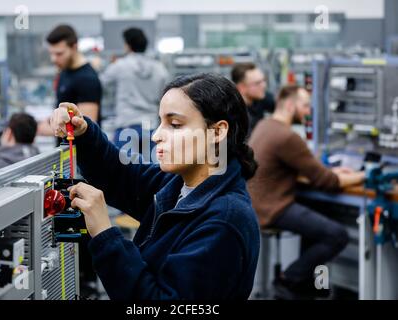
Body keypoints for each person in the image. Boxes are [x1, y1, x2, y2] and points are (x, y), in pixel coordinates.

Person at [49, 73, 260, 300]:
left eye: (175, 125)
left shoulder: (224, 222)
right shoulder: (178, 184)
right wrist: (83, 132)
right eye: (160, 122)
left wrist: (104, 233)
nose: (157, 135)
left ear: (217, 132)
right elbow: (119, 176)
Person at [247, 85, 365, 299]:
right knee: (336, 235)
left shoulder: (265, 125)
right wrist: (364, 175)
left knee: (316, 213)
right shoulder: (287, 136)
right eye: (305, 106)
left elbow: (309, 168)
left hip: (256, 204)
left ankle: (307, 284)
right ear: (290, 106)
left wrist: (331, 170)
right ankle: (288, 279)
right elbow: (327, 181)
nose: (308, 111)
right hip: (272, 208)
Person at [100, 27, 169, 159]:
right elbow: (166, 95)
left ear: (128, 45)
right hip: (150, 125)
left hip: (127, 124)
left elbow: (100, 83)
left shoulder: (120, 66)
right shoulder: (159, 69)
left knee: (124, 173)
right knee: (152, 172)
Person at [38, 24, 102, 136]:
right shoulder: (64, 71)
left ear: (74, 47)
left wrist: (45, 129)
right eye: (51, 53)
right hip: (66, 150)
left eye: (59, 54)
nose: (53, 59)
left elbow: (85, 128)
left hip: (81, 152)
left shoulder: (87, 79)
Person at [231, 62, 275, 132]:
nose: (264, 85)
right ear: (241, 88)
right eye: (258, 83)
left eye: (264, 80)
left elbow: (280, 106)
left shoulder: (261, 97)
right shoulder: (232, 115)